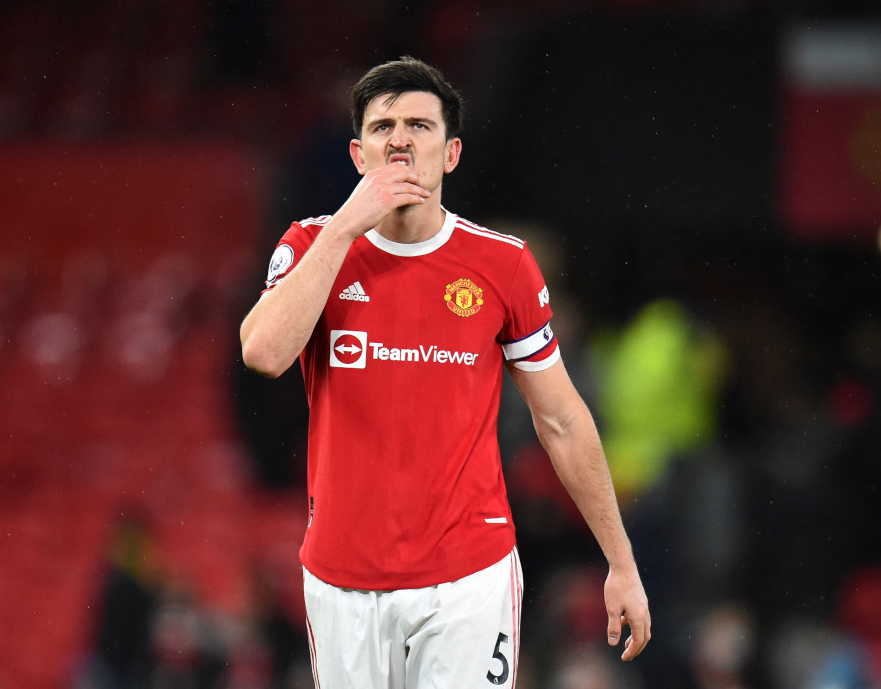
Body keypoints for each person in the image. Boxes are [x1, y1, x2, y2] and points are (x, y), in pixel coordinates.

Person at [239, 56, 650, 687]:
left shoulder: (502, 265)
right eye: (382, 127)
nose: (400, 139)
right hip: (341, 580)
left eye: (419, 126)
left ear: (451, 153)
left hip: (467, 580)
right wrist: (348, 226)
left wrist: (620, 562)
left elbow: (561, 419)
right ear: (357, 155)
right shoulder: (309, 245)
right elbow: (263, 352)